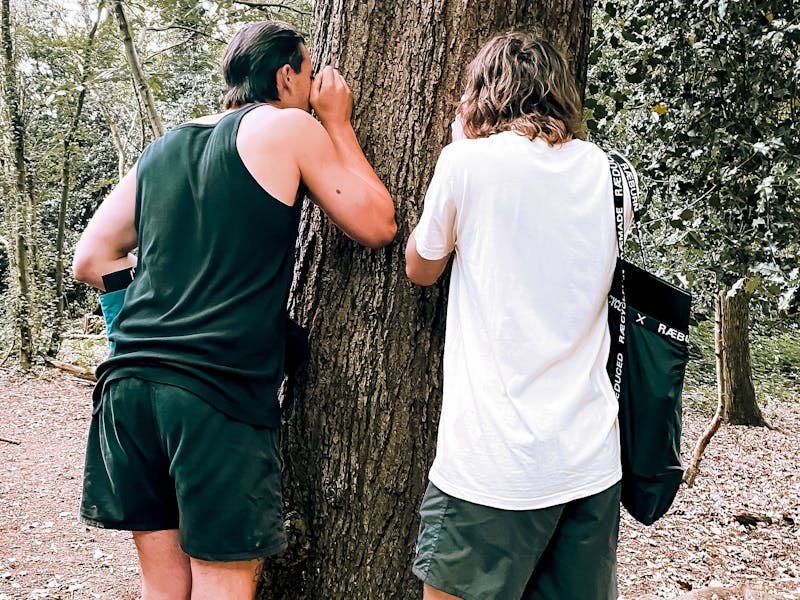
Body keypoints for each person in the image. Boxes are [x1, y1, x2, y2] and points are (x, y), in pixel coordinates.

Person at [72, 21, 396, 600]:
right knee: (223, 583)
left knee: (164, 586)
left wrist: (148, 326)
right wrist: (338, 123)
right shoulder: (290, 125)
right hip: (213, 393)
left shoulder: (164, 145)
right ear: (286, 75)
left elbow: (92, 257)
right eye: (310, 70)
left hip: (128, 388)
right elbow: (376, 224)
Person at [406, 32, 634, 600]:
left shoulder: (465, 162)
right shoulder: (612, 172)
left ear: (483, 93)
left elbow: (421, 266)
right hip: (590, 456)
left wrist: (461, 148)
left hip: (494, 459)